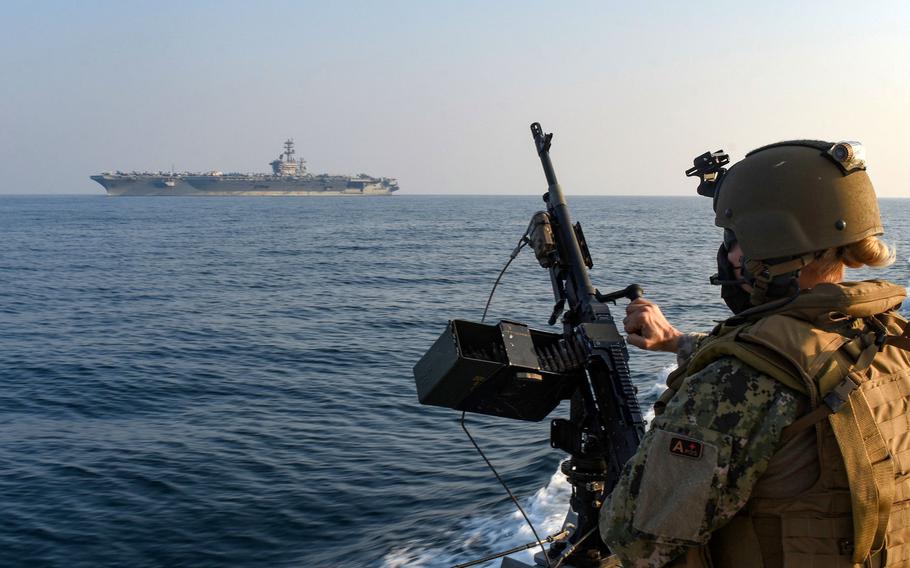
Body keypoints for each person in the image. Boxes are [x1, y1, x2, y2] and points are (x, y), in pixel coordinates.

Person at [598, 140, 910, 567]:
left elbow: (635, 539)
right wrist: (676, 342)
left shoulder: (736, 382)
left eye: (734, 239)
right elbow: (805, 356)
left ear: (772, 244)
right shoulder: (891, 339)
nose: (728, 255)